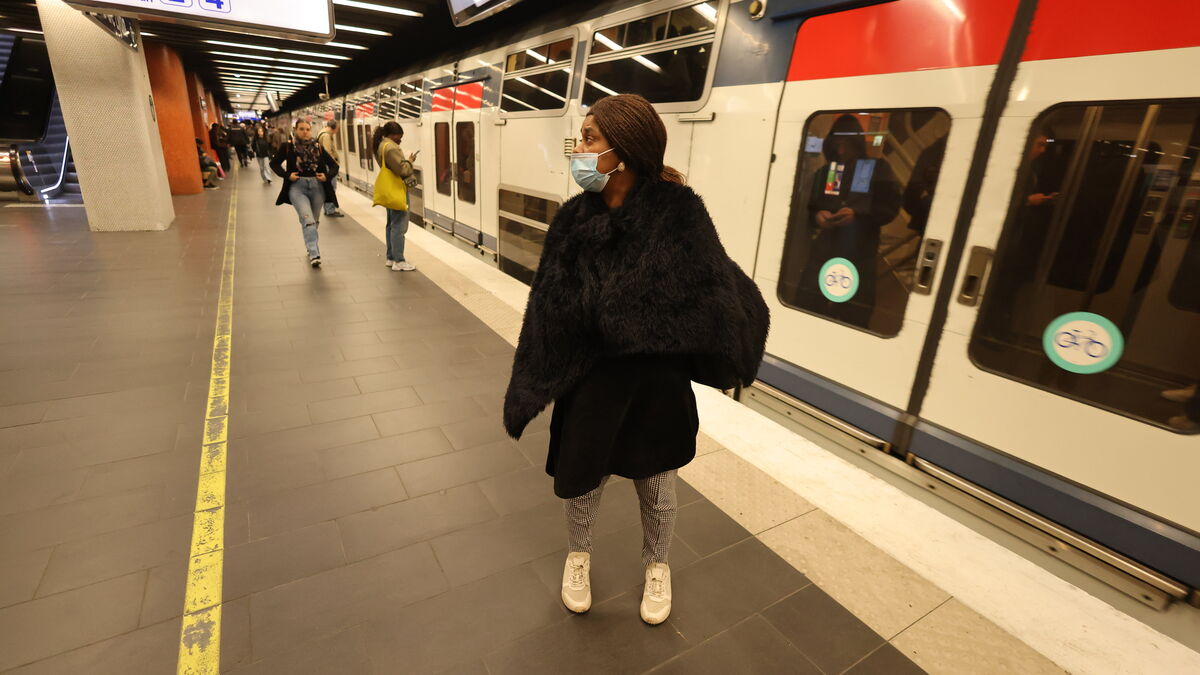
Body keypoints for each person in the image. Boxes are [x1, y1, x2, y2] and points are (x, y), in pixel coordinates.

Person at [502, 94, 769, 626]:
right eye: (581, 137)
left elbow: (717, 285)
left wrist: (714, 343)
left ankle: (657, 566)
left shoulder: (679, 213)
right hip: (591, 378)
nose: (579, 150)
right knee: (583, 477)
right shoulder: (574, 218)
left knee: (657, 482)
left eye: (590, 139)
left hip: (655, 381)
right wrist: (538, 371)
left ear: (623, 152)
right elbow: (547, 302)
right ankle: (578, 558)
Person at [796, 114, 902, 329]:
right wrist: (818, 217)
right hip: (824, 252)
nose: (841, 151)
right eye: (837, 145)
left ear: (857, 143)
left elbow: (889, 207)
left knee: (853, 314)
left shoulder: (876, 168)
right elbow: (812, 207)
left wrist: (859, 215)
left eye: (846, 145)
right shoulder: (828, 171)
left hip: (859, 255)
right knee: (808, 307)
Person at [270, 119, 339, 268]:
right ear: (295, 130)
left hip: (317, 188)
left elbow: (334, 166)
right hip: (297, 188)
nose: (305, 132)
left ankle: (310, 245)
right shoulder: (287, 147)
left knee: (313, 221)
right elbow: (273, 164)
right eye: (301, 129)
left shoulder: (318, 147)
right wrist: (287, 175)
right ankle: (315, 253)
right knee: (308, 220)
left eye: (307, 129)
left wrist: (326, 176)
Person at [370, 122, 419, 271]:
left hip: (390, 189)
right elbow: (402, 170)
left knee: (391, 224)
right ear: (392, 135)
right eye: (399, 136)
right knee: (399, 226)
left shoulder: (382, 145)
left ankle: (391, 257)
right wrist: (410, 161)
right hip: (397, 189)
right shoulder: (391, 148)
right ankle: (399, 260)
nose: (400, 140)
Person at [316, 120, 346, 217]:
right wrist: (333, 166)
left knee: (329, 187)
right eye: (337, 128)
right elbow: (328, 152)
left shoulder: (322, 133)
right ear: (334, 127)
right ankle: (330, 210)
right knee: (331, 188)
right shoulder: (326, 136)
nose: (337, 130)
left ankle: (328, 209)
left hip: (326, 166)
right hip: (328, 167)